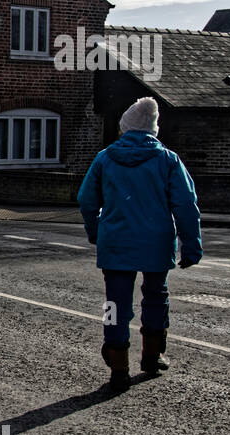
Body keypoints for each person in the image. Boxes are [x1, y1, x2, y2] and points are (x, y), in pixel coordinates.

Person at [77, 97, 203, 389]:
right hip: (156, 241)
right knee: (156, 296)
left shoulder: (105, 158)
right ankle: (152, 355)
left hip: (116, 241)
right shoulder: (168, 160)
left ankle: (118, 367)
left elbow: (86, 199)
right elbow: (185, 205)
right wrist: (191, 246)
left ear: (125, 127)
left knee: (115, 304)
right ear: (153, 128)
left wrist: (95, 231)